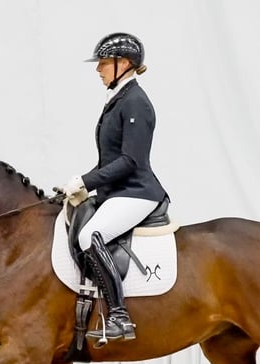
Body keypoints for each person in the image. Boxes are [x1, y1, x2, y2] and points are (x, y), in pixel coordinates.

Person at [60, 32, 168, 343]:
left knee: (89, 236)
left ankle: (120, 317)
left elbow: (130, 161)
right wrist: (83, 184)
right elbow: (110, 158)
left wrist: (86, 181)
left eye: (105, 63)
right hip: (119, 190)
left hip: (137, 191)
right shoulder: (118, 99)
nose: (99, 70)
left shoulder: (135, 102)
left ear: (126, 64)